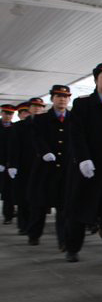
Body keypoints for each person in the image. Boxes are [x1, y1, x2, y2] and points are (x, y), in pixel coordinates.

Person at [65, 63, 102, 271]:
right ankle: (72, 247)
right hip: (87, 168)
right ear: (96, 80)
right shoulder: (83, 105)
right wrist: (82, 158)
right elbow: (76, 134)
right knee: (80, 211)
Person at [27, 86, 71, 249]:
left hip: (65, 169)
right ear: (52, 99)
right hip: (45, 169)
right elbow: (36, 137)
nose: (62, 99)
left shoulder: (73, 118)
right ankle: (34, 234)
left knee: (63, 207)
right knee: (39, 204)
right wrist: (44, 152)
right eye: (59, 96)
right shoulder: (41, 119)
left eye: (65, 97)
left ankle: (63, 241)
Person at [8, 99, 45, 238]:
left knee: (37, 198)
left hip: (42, 166)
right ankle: (23, 225)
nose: (37, 109)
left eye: (40, 107)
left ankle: (33, 227)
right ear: (29, 108)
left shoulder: (46, 124)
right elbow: (14, 147)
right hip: (25, 166)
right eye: (34, 106)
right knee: (23, 197)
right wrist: (12, 165)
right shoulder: (19, 126)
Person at [0, 104, 17, 225]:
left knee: (8, 190)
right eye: (6, 113)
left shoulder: (15, 128)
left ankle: (8, 215)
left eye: (10, 114)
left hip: (9, 163)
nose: (8, 116)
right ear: (1, 113)